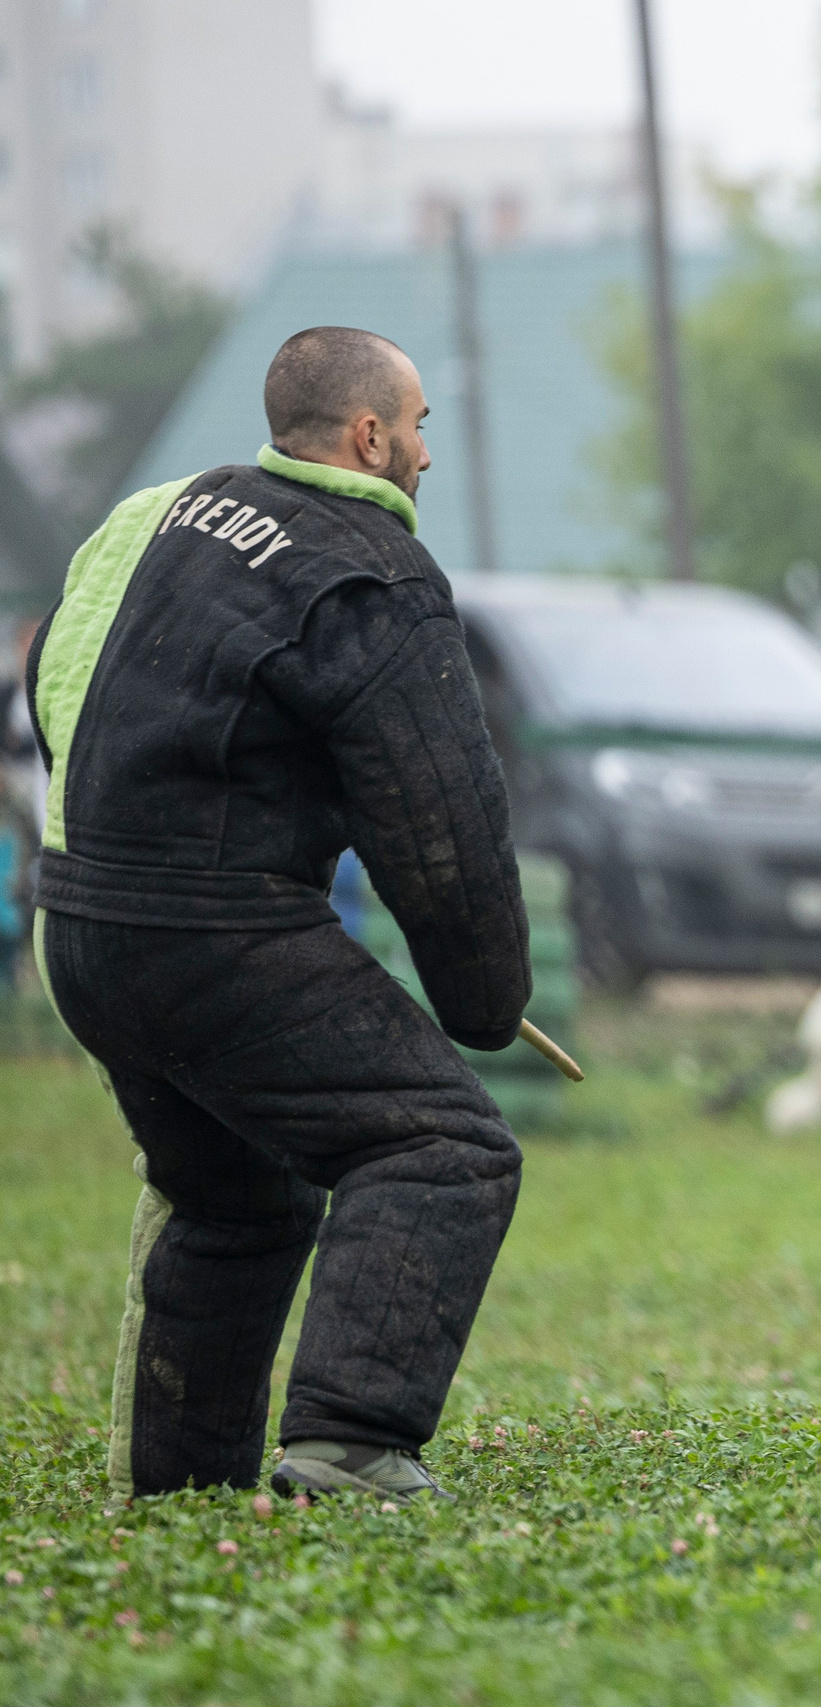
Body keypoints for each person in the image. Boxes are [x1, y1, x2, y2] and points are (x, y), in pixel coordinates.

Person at [22, 326, 530, 1503]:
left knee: (236, 1200)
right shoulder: (373, 577)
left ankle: (183, 1488)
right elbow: (443, 834)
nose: (424, 456)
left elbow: (56, 679)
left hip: (81, 923)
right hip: (215, 932)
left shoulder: (157, 510)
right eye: (417, 428)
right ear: (369, 437)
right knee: (443, 1145)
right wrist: (485, 1003)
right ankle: (352, 1446)